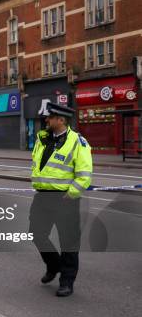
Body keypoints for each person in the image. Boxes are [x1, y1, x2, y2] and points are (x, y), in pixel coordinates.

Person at [29, 102, 92, 297]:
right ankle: (54, 265)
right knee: (36, 234)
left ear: (61, 120)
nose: (46, 120)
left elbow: (84, 174)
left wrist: (71, 193)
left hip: (65, 199)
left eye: (50, 117)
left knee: (69, 242)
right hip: (43, 197)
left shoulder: (77, 142)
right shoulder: (43, 139)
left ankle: (67, 281)